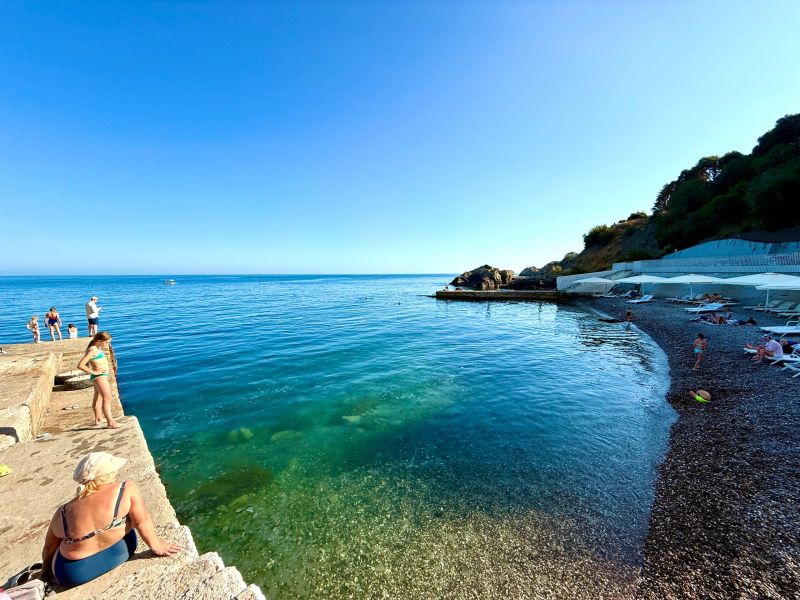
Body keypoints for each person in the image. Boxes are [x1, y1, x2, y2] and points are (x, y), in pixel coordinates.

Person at [40, 451, 181, 587]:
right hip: (122, 551)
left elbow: (49, 547)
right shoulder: (125, 489)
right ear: (108, 473)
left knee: (64, 540)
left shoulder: (63, 512)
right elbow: (142, 520)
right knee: (126, 522)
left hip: (73, 573)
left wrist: (45, 572)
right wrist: (157, 546)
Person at [77, 332, 119, 429]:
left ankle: (99, 418)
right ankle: (110, 422)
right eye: (106, 342)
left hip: (100, 376)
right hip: (100, 377)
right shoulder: (92, 350)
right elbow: (80, 365)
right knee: (107, 398)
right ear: (99, 341)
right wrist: (94, 372)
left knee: (98, 397)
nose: (108, 345)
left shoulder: (96, 348)